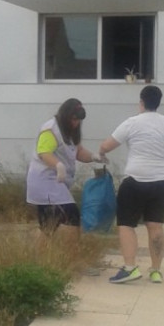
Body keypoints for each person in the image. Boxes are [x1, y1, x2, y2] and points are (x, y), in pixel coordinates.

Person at [98, 85, 164, 284]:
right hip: (163, 181)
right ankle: (155, 270)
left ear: (141, 102)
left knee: (126, 223)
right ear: (158, 102)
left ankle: (130, 268)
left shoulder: (132, 123)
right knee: (155, 225)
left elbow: (106, 145)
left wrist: (101, 153)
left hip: (136, 179)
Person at [26, 98, 105, 243]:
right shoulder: (50, 129)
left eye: (79, 121)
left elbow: (78, 151)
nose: (76, 124)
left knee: (49, 225)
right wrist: (58, 165)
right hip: (46, 181)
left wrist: (94, 157)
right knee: (72, 216)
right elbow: (44, 152)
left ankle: (38, 258)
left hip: (56, 182)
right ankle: (71, 254)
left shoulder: (70, 132)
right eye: (74, 120)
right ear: (65, 115)